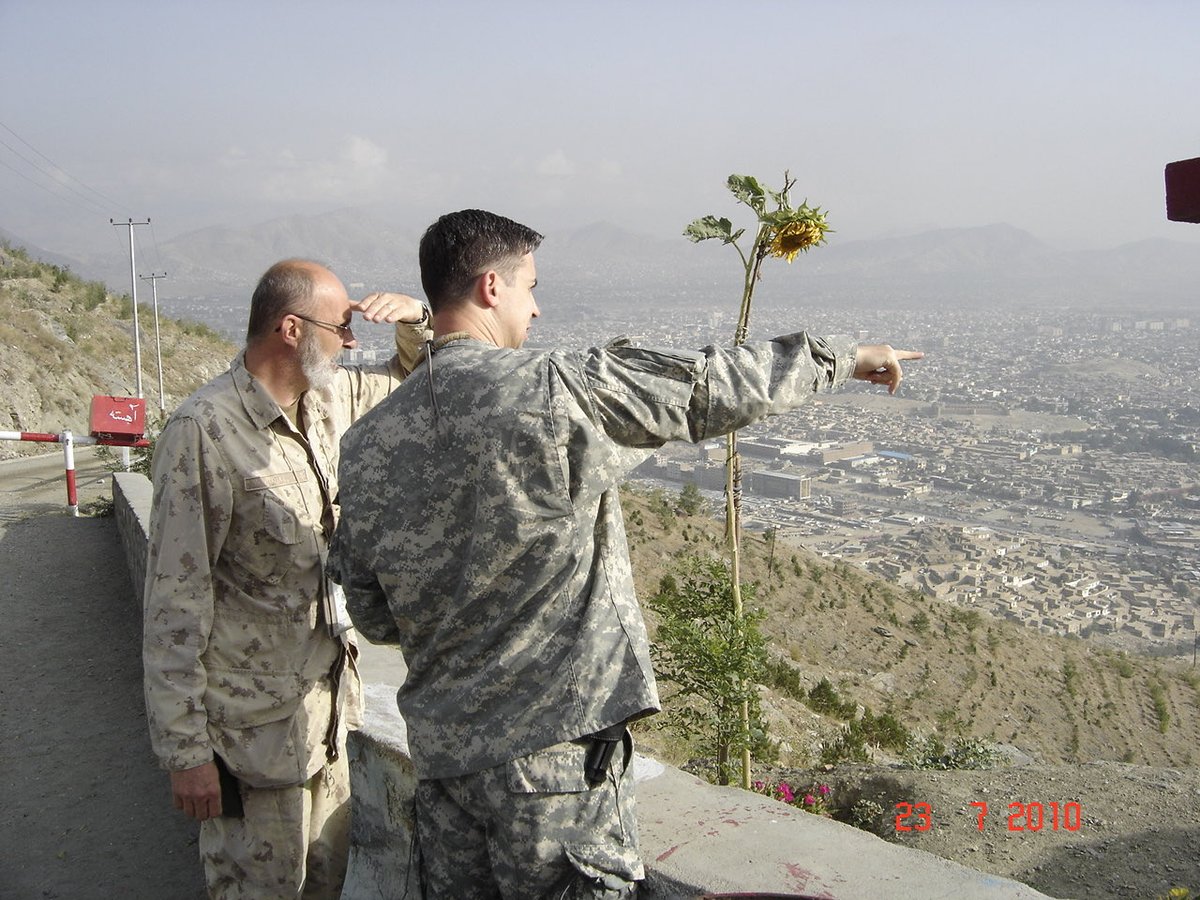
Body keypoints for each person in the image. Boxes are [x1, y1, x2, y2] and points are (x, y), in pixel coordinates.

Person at [327, 209, 923, 898]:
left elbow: (371, 613)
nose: (537, 307)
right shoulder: (552, 392)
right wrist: (845, 357)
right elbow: (709, 387)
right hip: (553, 766)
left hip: (444, 767)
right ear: (491, 287)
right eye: (530, 287)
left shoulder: (368, 442)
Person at [142, 258, 430, 898]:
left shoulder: (325, 399)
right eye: (342, 327)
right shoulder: (205, 431)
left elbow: (418, 381)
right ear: (291, 328)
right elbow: (173, 603)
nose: (351, 341)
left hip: (326, 723)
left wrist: (418, 321)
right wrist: (185, 752)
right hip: (251, 738)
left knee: (326, 888)